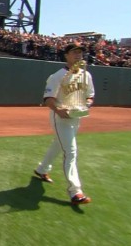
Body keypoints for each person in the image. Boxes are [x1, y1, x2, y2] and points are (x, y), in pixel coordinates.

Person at [33, 44, 95, 205]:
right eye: (75, 52)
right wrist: (59, 110)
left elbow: (90, 96)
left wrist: (86, 104)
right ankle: (75, 192)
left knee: (58, 145)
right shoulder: (57, 76)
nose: (78, 55)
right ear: (66, 55)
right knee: (71, 151)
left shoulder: (86, 75)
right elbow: (48, 99)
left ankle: (41, 169)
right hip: (60, 119)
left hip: (76, 118)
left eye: (81, 52)